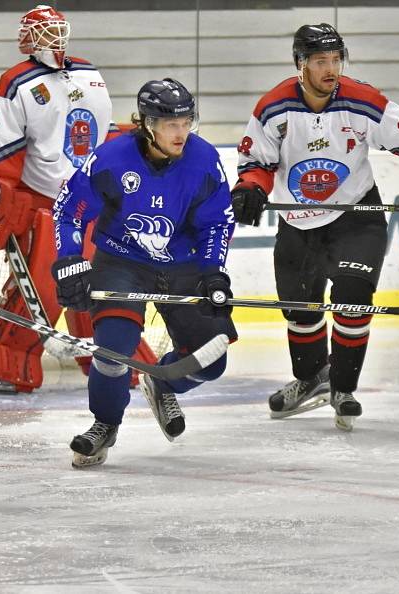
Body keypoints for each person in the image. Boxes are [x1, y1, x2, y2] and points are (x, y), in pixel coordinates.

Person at [230, 23, 399, 430]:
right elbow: (257, 164)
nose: (330, 69)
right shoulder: (273, 108)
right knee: (301, 311)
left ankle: (343, 387)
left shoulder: (364, 102)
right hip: (298, 221)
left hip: (356, 214)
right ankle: (311, 379)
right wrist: (250, 189)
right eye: (320, 61)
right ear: (300, 65)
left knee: (353, 297)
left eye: (336, 60)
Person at [52, 78, 237, 467]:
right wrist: (70, 259)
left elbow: (217, 223)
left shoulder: (203, 161)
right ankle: (104, 424)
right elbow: (68, 211)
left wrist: (213, 272)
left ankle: (161, 380)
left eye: (187, 122)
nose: (181, 132)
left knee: (210, 361)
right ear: (147, 123)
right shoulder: (111, 158)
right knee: (112, 350)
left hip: (184, 263)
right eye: (172, 124)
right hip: (123, 261)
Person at [0, 4, 156, 394]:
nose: (52, 38)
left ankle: (113, 358)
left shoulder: (90, 73)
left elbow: (106, 134)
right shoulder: (16, 82)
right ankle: (8, 364)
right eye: (43, 31)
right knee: (42, 290)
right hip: (45, 205)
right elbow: (1, 152)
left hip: (94, 201)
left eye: (57, 29)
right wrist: (6, 202)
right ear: (26, 38)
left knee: (106, 283)